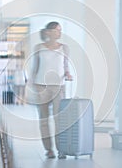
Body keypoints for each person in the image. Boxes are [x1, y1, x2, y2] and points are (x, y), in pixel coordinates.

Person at [31, 21, 72, 159]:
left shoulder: (64, 48)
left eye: (60, 30)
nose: (59, 32)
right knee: (44, 120)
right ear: (48, 32)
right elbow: (34, 68)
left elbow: (65, 66)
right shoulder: (38, 47)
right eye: (56, 30)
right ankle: (48, 149)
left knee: (58, 119)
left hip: (58, 87)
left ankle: (61, 149)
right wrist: (31, 85)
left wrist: (68, 74)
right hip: (41, 86)